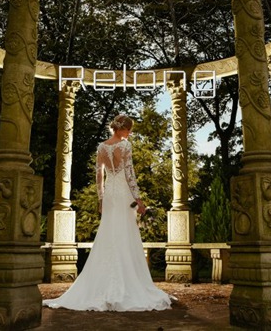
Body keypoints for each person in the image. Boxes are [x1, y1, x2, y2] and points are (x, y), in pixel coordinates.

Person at [43, 114, 173, 311]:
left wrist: (101, 199)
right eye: (129, 130)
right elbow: (130, 174)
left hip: (111, 196)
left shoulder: (101, 147)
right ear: (122, 129)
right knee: (125, 234)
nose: (130, 133)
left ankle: (102, 284)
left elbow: (98, 176)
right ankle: (128, 284)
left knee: (109, 233)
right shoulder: (125, 146)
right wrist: (138, 199)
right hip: (123, 194)